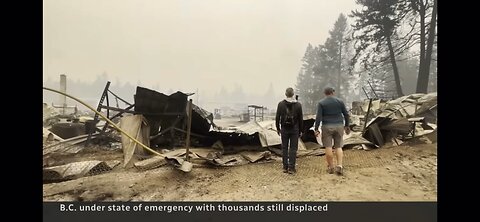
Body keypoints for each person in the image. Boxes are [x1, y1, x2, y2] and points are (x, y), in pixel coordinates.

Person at [314, 87, 350, 176]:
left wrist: (316, 128)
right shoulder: (340, 101)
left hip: (326, 126)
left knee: (328, 147)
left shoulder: (321, 103)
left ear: (325, 93)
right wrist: (347, 125)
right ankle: (340, 165)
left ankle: (331, 167)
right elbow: (346, 114)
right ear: (333, 92)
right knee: (338, 146)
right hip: (339, 126)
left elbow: (318, 117)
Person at [275, 87, 304, 174]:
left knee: (284, 148)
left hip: (284, 128)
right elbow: (300, 119)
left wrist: (278, 128)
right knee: (293, 148)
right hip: (294, 129)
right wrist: (301, 130)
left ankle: (285, 167)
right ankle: (291, 168)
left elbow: (277, 117)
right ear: (293, 94)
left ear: (285, 94)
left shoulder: (280, 104)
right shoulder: (298, 105)